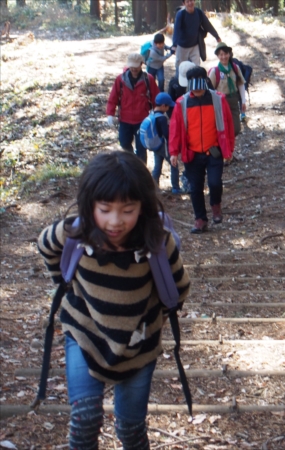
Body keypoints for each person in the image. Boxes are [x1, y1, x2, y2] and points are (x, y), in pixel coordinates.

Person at [37, 151, 190, 450]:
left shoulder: (157, 241)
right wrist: (65, 283)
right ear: (89, 204)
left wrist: (146, 317)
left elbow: (179, 287)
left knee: (132, 430)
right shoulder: (74, 232)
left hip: (138, 347)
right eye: (104, 209)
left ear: (143, 207)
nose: (115, 221)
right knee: (84, 419)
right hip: (85, 333)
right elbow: (46, 246)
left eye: (128, 210)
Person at [169, 67, 235, 233]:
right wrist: (173, 152)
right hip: (192, 153)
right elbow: (175, 129)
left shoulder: (218, 100)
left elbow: (227, 124)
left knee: (215, 182)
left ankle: (215, 206)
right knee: (195, 188)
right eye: (194, 88)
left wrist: (229, 149)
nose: (197, 91)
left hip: (214, 151)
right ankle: (200, 219)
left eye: (200, 87)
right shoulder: (182, 103)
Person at [106, 53, 159, 164]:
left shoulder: (148, 80)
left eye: (136, 66)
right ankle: (131, 162)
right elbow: (113, 97)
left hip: (142, 120)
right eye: (131, 66)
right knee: (124, 143)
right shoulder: (120, 80)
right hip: (125, 119)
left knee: (141, 148)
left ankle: (141, 169)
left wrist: (158, 113)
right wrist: (110, 114)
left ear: (141, 64)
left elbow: (156, 97)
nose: (134, 68)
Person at [147, 92, 185, 194]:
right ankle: (176, 188)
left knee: (157, 167)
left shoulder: (152, 114)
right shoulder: (162, 118)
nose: (169, 108)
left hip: (156, 146)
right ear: (163, 106)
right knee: (174, 165)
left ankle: (154, 188)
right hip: (164, 146)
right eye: (168, 106)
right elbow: (167, 134)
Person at [208, 42, 246, 136]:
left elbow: (240, 84)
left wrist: (243, 101)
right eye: (221, 54)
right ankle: (226, 148)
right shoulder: (214, 72)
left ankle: (230, 144)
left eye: (225, 54)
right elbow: (210, 89)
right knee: (222, 128)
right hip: (220, 101)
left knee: (236, 129)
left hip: (233, 99)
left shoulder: (235, 68)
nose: (224, 57)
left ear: (229, 54)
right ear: (218, 56)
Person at [172, 0, 221, 70]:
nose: (190, 3)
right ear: (184, 3)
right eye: (187, 2)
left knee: (197, 69)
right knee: (181, 70)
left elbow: (207, 25)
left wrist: (216, 36)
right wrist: (174, 45)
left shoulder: (198, 12)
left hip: (194, 46)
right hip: (182, 47)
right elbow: (176, 30)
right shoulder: (181, 14)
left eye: (191, 1)